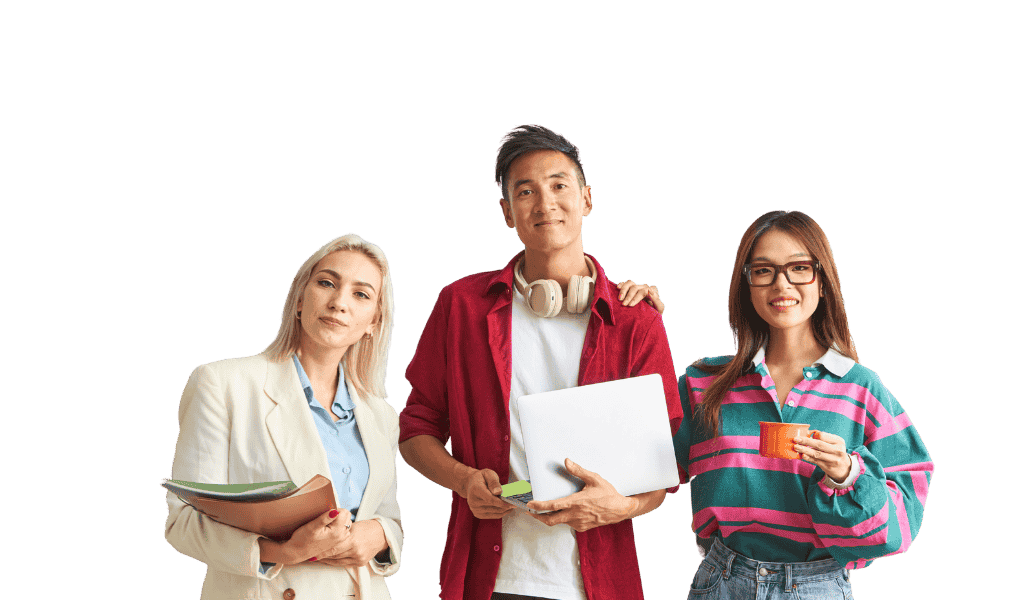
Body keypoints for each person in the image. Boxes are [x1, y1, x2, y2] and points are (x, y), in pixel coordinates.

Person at [398, 124, 680, 600]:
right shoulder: (461, 307)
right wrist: (463, 480)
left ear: (587, 199)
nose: (544, 202)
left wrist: (619, 507)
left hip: (594, 583)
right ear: (507, 213)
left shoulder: (636, 322)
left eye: (558, 185)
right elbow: (415, 429)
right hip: (488, 581)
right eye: (525, 191)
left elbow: (666, 462)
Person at [674, 210, 932, 599]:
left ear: (823, 281)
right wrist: (635, 319)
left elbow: (898, 529)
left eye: (799, 268)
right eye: (763, 271)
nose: (782, 284)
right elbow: (641, 472)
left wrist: (847, 474)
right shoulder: (703, 384)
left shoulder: (862, 389)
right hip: (721, 583)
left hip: (818, 587)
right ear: (747, 284)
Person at [164, 233, 404, 600]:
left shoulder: (381, 415)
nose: (339, 303)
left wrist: (382, 535)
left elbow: (388, 517)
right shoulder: (223, 384)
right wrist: (283, 552)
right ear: (299, 300)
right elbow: (182, 522)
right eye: (327, 283)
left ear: (374, 321)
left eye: (361, 294)